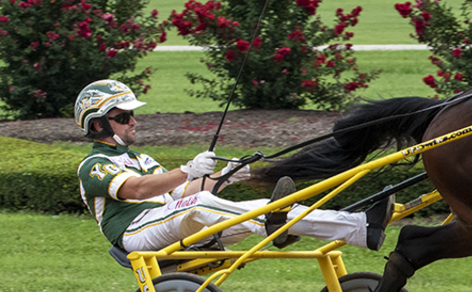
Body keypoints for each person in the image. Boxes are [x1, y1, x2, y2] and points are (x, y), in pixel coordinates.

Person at [75, 79, 392, 254]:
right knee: (204, 205)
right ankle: (271, 224)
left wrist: (228, 175)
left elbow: (183, 194)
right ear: (99, 124)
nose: (133, 121)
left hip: (167, 223)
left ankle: (361, 228)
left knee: (273, 205)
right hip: (137, 233)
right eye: (123, 117)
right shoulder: (94, 165)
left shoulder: (141, 160)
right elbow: (139, 189)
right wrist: (188, 168)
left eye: (132, 114)